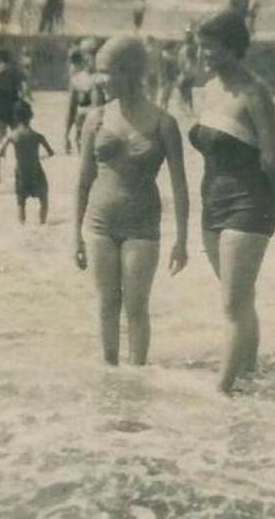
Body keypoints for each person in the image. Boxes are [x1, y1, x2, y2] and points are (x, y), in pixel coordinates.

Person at [74, 34, 189, 367]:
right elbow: (82, 182)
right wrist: (75, 237)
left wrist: (181, 241)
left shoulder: (164, 124)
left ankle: (137, 381)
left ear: (130, 72)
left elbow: (180, 188)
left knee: (136, 306)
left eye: (106, 72)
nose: (100, 79)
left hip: (143, 226)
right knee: (106, 304)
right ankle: (110, 380)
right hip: (98, 225)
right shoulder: (95, 120)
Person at [189, 11, 275, 395]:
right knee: (240, 297)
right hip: (212, 205)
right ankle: (247, 374)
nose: (204, 53)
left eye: (212, 46)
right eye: (201, 45)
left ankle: (221, 392)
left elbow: (274, 159)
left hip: (250, 204)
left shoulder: (255, 93)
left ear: (233, 47)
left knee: (232, 303)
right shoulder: (209, 88)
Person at [0, 100, 54, 224]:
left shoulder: (13, 136)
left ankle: (22, 227)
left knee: (21, 203)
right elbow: (51, 153)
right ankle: (42, 224)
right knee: (44, 200)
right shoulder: (37, 136)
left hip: (21, 174)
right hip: (36, 172)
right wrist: (40, 157)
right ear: (31, 116)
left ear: (15, 117)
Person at [64, 49, 97, 153]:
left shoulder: (106, 79)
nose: (90, 60)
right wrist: (66, 134)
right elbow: (71, 108)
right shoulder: (77, 79)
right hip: (84, 128)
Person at [0, 49, 23, 140]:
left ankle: (3, 151)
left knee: (1, 128)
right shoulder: (15, 70)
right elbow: (20, 86)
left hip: (0, 99)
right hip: (13, 97)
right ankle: (18, 149)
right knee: (15, 126)